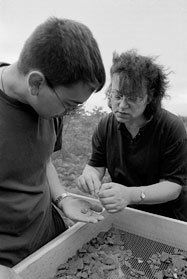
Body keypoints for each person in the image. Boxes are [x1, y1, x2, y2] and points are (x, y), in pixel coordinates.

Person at [0, 16, 105, 270]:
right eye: (69, 105)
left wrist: (62, 198)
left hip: (48, 236)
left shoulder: (50, 109)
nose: (68, 114)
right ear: (36, 82)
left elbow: (42, 160)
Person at [77, 49, 187, 222]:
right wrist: (89, 177)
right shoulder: (106, 125)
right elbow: (96, 164)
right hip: (127, 215)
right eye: (118, 95)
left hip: (168, 218)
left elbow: (173, 186)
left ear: (150, 97)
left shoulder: (171, 127)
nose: (121, 106)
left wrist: (129, 194)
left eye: (133, 98)